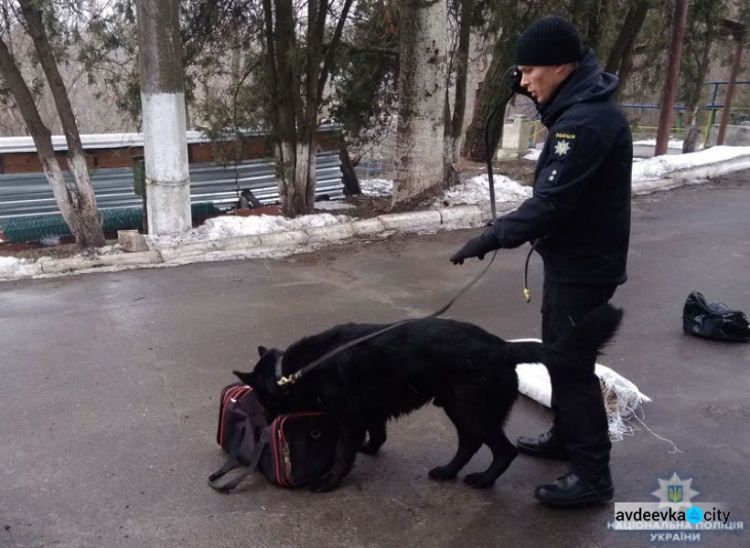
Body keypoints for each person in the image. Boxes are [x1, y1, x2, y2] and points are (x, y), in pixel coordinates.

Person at [449, 15, 632, 508]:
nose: (524, 80)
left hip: (584, 264)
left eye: (530, 71)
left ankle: (593, 476)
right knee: (561, 354)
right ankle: (567, 437)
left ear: (561, 66)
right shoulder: (578, 107)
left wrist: (491, 237)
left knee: (571, 368)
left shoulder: (587, 122)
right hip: (576, 257)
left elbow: (551, 202)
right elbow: (558, 190)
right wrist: (534, 93)